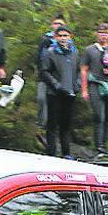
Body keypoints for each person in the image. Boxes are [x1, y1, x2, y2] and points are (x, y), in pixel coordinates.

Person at [80, 23, 108, 159]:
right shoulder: (90, 50)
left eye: (105, 33)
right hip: (94, 84)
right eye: (100, 33)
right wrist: (84, 89)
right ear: (96, 34)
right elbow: (84, 69)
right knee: (99, 116)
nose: (103, 35)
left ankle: (104, 146)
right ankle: (98, 146)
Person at [41, 27, 79, 159]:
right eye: (60, 36)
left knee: (66, 125)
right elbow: (45, 72)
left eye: (66, 35)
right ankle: (51, 153)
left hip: (70, 93)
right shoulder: (50, 52)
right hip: (54, 94)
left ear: (70, 36)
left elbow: (79, 71)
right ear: (56, 37)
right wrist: (57, 86)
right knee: (52, 124)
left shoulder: (75, 52)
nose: (63, 38)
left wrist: (77, 85)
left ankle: (66, 153)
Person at [36, 15, 67, 145]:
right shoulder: (45, 40)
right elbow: (39, 57)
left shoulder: (68, 43)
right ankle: (41, 128)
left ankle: (55, 136)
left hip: (60, 79)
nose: (57, 25)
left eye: (60, 23)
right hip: (44, 77)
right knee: (41, 99)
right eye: (55, 23)